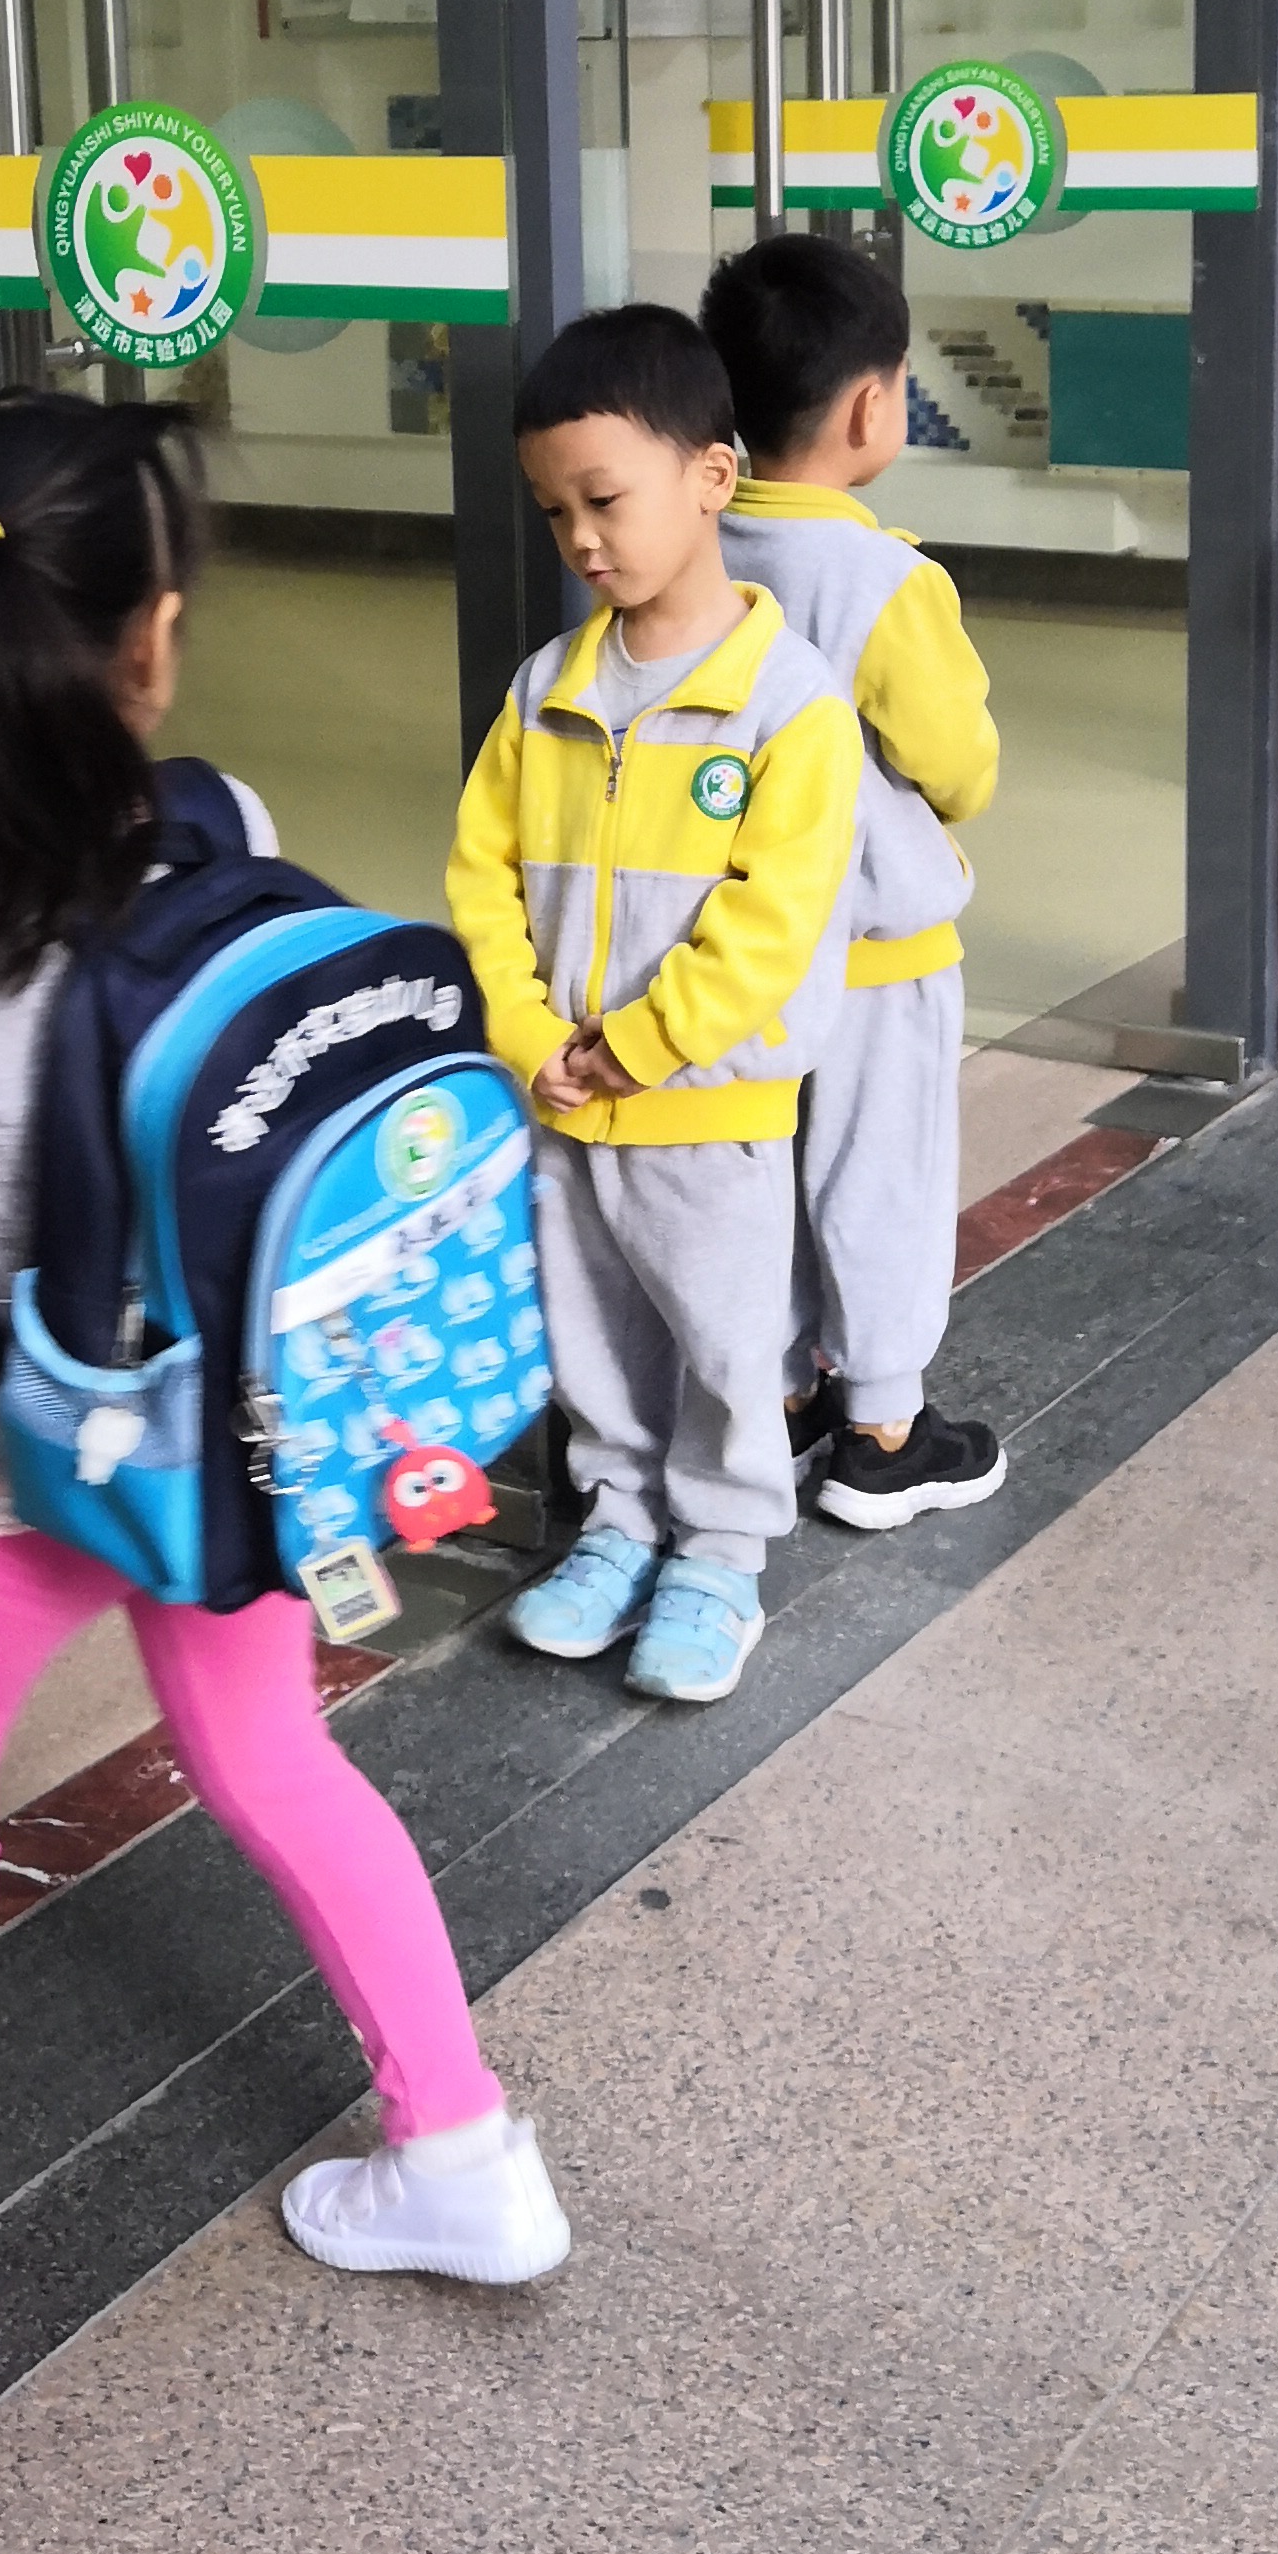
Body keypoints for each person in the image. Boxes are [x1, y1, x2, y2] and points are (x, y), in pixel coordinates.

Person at [0, 387, 570, 2292]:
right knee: (272, 1754)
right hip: (223, 1439)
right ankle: (460, 2142)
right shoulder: (223, 820)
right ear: (155, 634)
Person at [448, 302, 861, 1705]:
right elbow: (483, 879)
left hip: (706, 1105)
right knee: (592, 1332)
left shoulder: (789, 706)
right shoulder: (545, 693)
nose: (580, 539)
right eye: (555, 511)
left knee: (724, 1341)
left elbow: (771, 925)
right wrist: (528, 1036)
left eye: (605, 500)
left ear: (712, 476)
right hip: (565, 1099)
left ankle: (722, 1556)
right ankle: (621, 1523)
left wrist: (640, 1044)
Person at [702, 234, 1004, 1532]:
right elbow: (958, 763)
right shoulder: (886, 579)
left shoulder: (695, 549)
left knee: (766, 1175)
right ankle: (883, 1431)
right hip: (877, 955)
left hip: (743, 953)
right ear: (874, 407)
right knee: (880, 1178)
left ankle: (779, 1401)